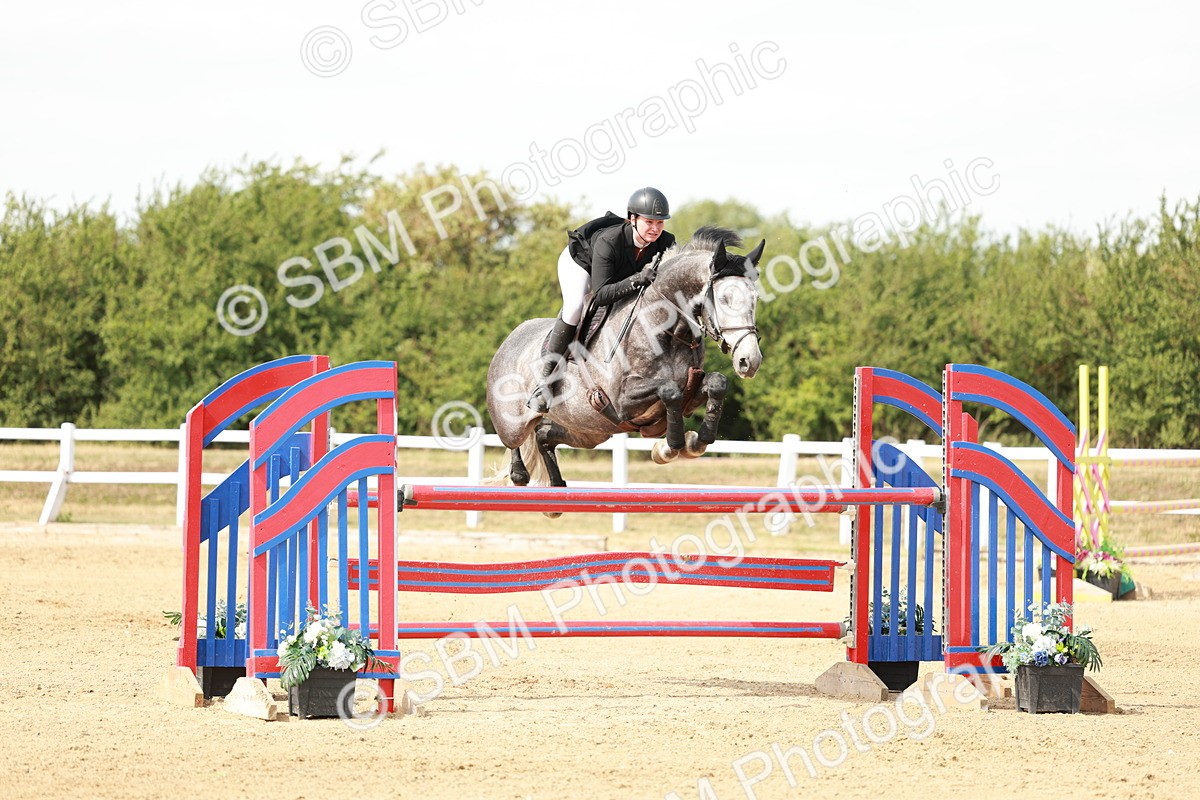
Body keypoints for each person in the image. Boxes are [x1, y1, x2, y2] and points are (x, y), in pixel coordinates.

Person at [527, 187, 677, 412]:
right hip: (581, 263)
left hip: (617, 272)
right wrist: (637, 280)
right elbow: (601, 295)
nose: (655, 229)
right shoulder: (610, 242)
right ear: (633, 219)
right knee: (575, 307)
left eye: (660, 223)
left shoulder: (666, 242)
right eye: (649, 222)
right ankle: (545, 382)